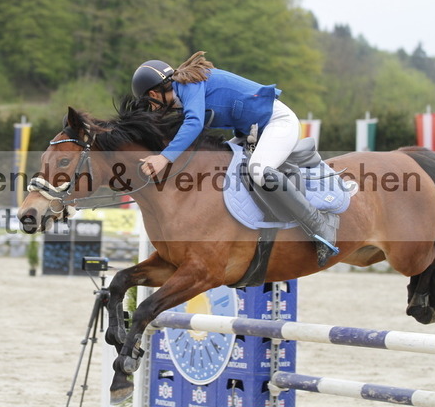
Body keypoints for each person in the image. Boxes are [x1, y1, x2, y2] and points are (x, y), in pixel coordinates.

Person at [131, 51, 339, 266]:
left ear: (154, 94)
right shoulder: (184, 92)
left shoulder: (189, 87)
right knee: (222, 167)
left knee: (258, 170)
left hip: (277, 122)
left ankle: (321, 225)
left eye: (150, 104)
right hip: (252, 131)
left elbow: (194, 124)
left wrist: (164, 158)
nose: (153, 109)